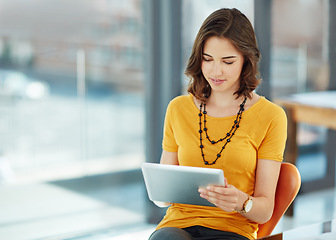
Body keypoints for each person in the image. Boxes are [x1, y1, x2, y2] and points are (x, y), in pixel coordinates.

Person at [148, 8, 287, 240]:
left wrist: (241, 201)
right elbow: (163, 195)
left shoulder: (271, 116)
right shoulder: (178, 108)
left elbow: (265, 211)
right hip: (177, 226)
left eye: (228, 61)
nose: (216, 71)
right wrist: (160, 192)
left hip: (233, 230)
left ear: (246, 60)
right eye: (207, 59)